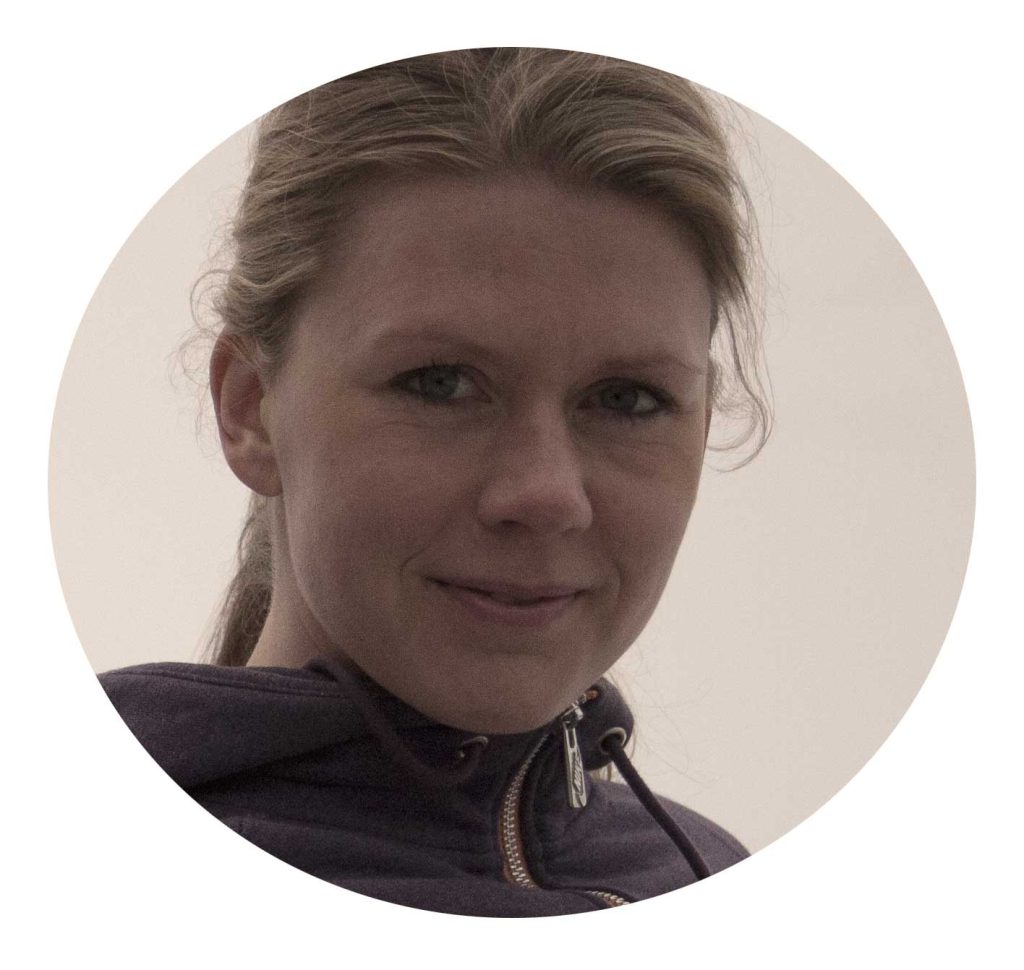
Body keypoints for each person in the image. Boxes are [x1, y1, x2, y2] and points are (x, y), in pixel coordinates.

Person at [100, 47, 771, 917]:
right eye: (442, 383)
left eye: (627, 399)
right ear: (250, 408)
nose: (546, 494)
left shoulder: (706, 872)